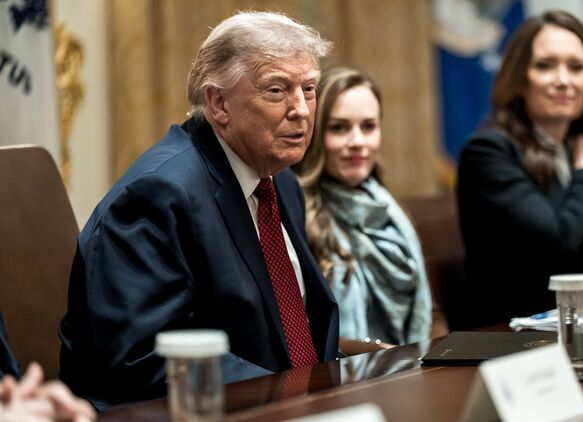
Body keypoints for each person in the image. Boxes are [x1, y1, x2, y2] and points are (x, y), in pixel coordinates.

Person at [59, 11, 339, 410]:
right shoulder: (157, 194)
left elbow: (297, 332)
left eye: (308, 88)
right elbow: (144, 357)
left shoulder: (279, 181)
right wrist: (288, 397)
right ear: (219, 103)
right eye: (277, 90)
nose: (302, 110)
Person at [455, 10, 583, 329]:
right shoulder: (488, 152)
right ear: (520, 80)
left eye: (576, 67)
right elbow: (557, 247)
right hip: (511, 335)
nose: (563, 80)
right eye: (545, 65)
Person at [292, 67, 433, 352]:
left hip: (409, 364)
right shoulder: (295, 213)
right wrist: (379, 353)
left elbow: (432, 311)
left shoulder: (391, 211)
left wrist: (434, 355)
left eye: (368, 127)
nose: (357, 142)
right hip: (340, 370)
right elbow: (299, 331)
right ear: (314, 133)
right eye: (339, 128)